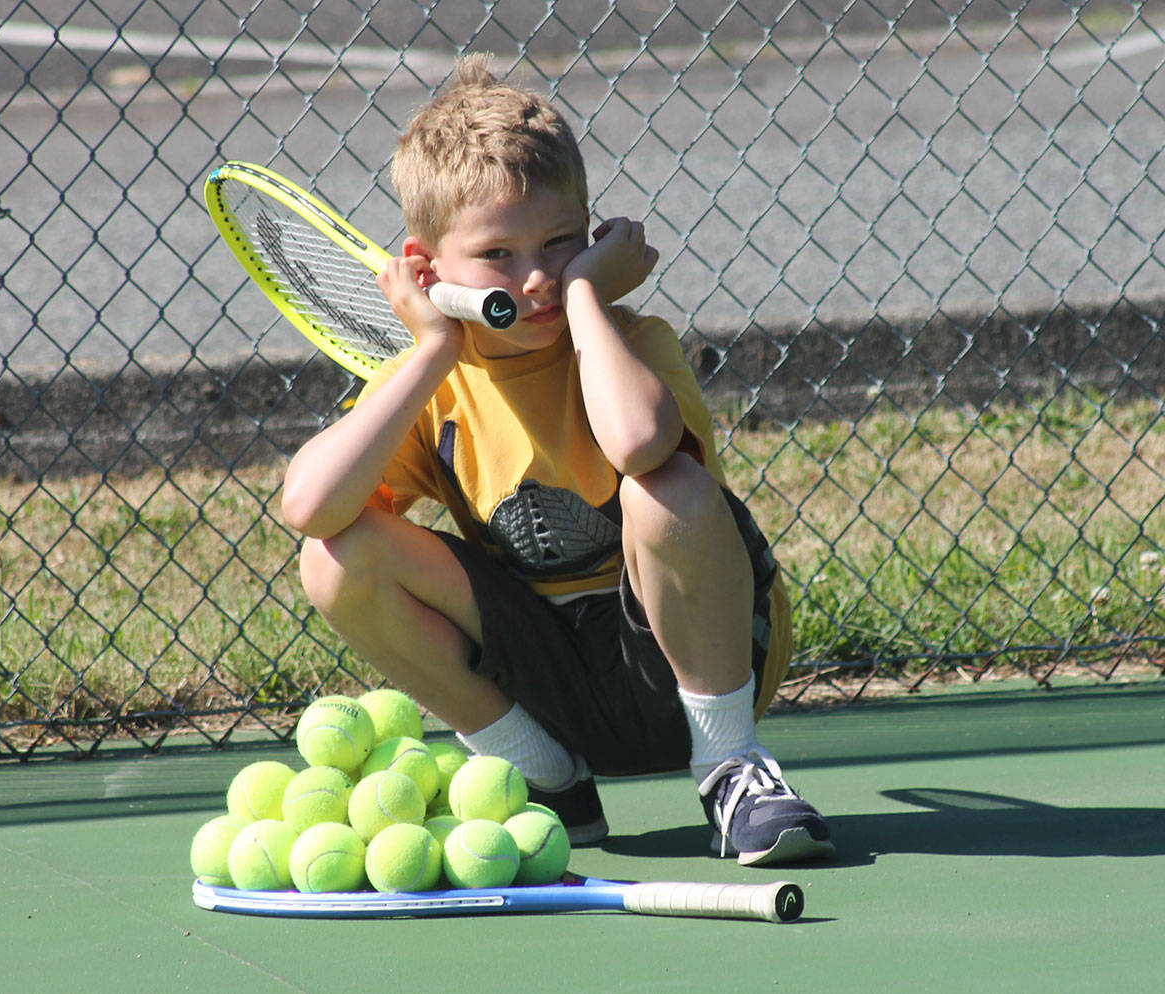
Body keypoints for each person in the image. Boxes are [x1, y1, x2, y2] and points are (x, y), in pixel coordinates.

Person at [281, 55, 833, 866]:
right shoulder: (432, 382)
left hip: (697, 666)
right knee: (334, 557)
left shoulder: (633, 342)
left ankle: (732, 771)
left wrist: (585, 299)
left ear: (592, 236)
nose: (535, 276)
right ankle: (542, 776)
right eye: (497, 255)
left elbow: (639, 443)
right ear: (429, 270)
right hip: (550, 685)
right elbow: (310, 507)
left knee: (666, 488)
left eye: (560, 244)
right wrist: (431, 352)